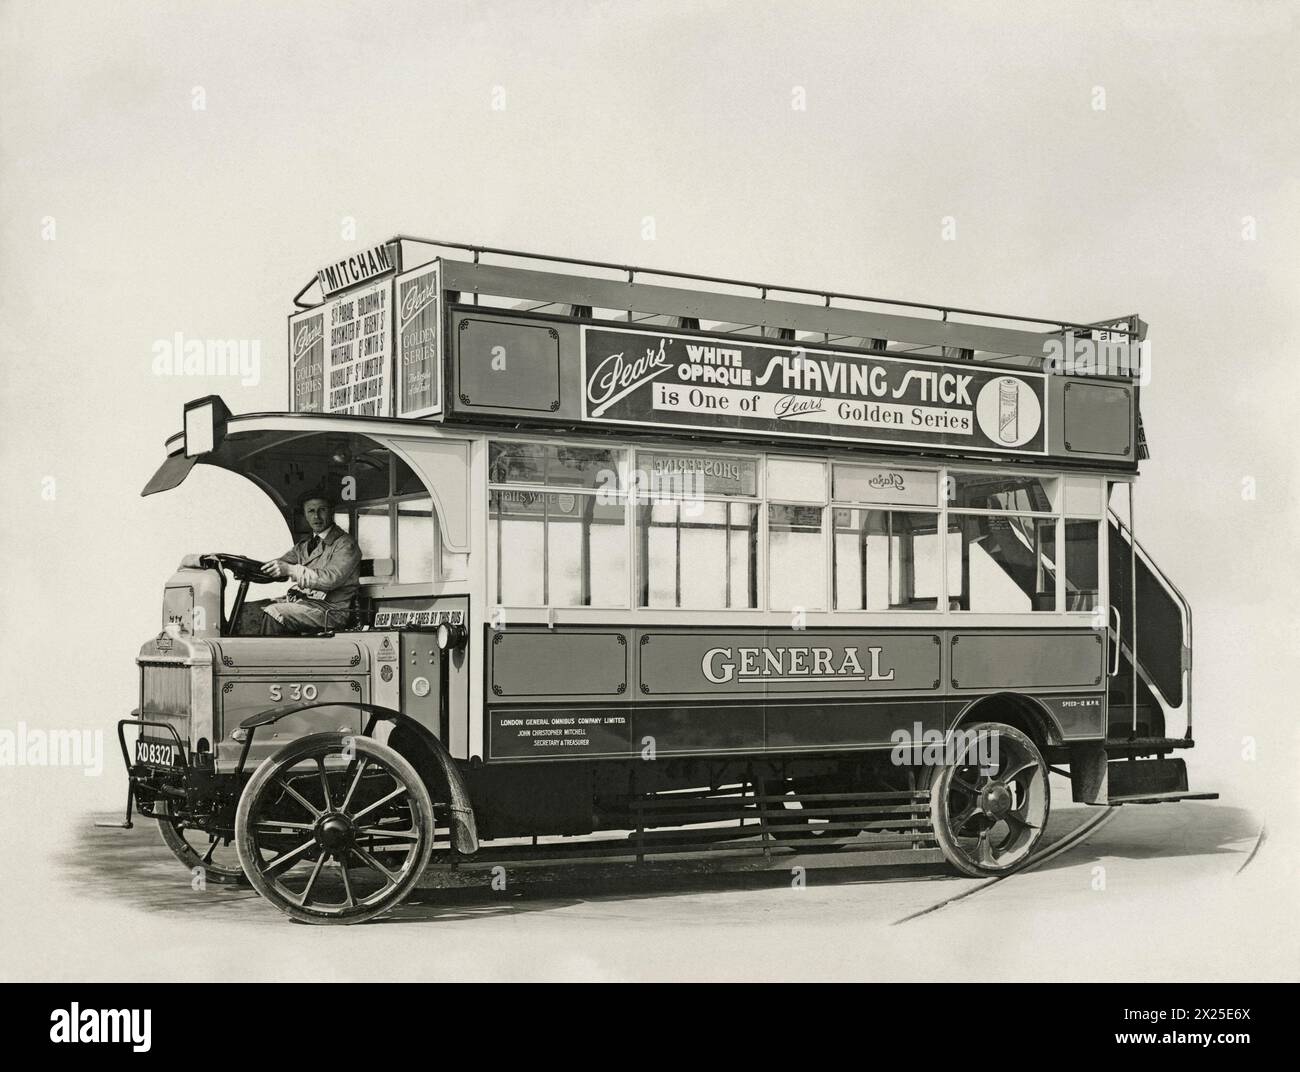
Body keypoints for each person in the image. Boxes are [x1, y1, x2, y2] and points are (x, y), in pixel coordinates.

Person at [254, 492, 362, 635]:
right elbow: (279, 564)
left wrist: (291, 570)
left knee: (274, 612)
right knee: (249, 610)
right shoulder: (303, 546)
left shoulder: (346, 544)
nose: (316, 516)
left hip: (331, 611)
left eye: (322, 510)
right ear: (305, 515)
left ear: (331, 512)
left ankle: (268, 657)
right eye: (311, 511)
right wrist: (250, 567)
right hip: (305, 605)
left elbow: (331, 579)